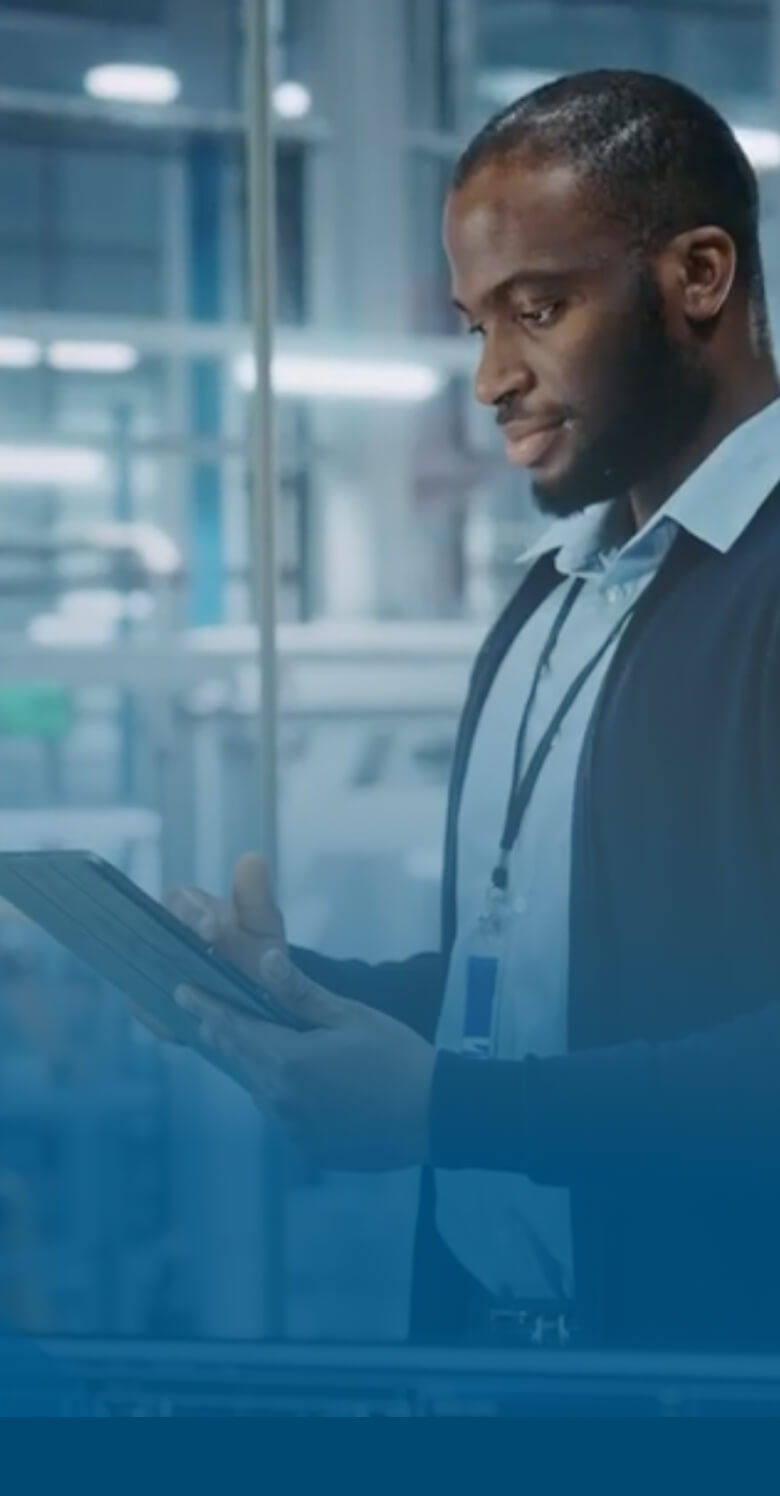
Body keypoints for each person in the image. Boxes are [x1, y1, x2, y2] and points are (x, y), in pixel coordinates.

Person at [159, 70, 780, 1351]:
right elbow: (539, 986)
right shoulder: (554, 604)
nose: (493, 377)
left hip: (718, 1394)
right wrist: (291, 987)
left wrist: (453, 1112)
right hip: (502, 1360)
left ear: (700, 276)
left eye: (537, 311)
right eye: (474, 326)